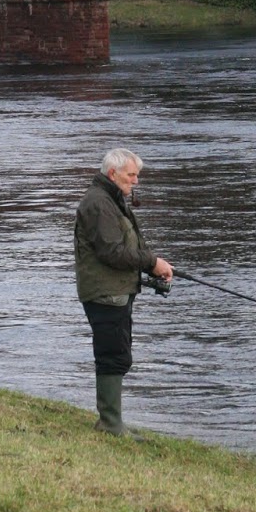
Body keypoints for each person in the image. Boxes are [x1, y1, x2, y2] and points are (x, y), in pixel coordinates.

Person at [74, 147, 173, 436]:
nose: (136, 181)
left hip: (116, 290)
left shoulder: (110, 199)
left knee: (119, 353)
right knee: (112, 354)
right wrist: (152, 262)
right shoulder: (98, 204)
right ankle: (110, 423)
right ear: (113, 173)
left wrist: (153, 267)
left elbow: (127, 246)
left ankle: (111, 421)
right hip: (105, 292)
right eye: (131, 175)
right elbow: (113, 252)